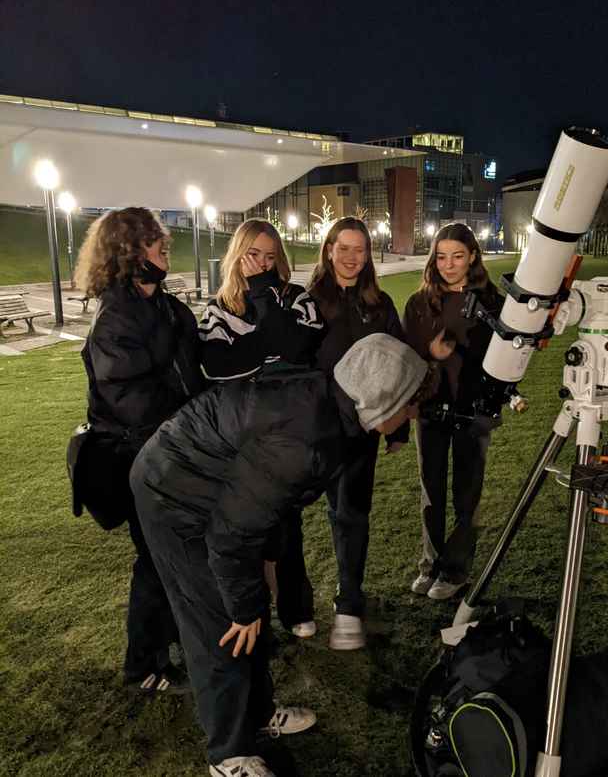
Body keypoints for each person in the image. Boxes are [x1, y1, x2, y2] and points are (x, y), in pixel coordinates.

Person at [129, 333, 428, 777]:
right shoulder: (308, 439)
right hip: (173, 494)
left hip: (214, 492)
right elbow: (231, 537)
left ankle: (258, 714)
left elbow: (269, 505)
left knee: (246, 618)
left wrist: (264, 566)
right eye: (409, 403)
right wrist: (245, 606)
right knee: (221, 626)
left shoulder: (332, 408)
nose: (413, 413)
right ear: (381, 401)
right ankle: (228, 755)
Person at [73, 207, 203, 691]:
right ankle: (143, 666)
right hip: (135, 460)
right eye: (154, 241)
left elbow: (195, 365)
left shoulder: (163, 306)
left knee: (172, 557)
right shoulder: (115, 319)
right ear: (129, 252)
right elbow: (135, 401)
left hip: (168, 453)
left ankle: (171, 648)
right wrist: (193, 420)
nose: (164, 248)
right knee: (154, 560)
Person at [198, 218, 324, 638]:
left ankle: (294, 606)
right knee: (247, 527)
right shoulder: (219, 307)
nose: (263, 263)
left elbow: (299, 349)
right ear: (238, 254)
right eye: (254, 254)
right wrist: (267, 345)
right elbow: (218, 367)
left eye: (271, 256)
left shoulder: (295, 297)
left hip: (289, 428)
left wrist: (265, 302)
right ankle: (253, 611)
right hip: (240, 434)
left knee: (287, 523)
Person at [308, 216, 409, 650]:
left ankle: (348, 604)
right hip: (316, 429)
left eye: (360, 249)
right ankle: (293, 608)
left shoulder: (380, 303)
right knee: (286, 514)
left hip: (362, 434)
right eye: (343, 248)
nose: (351, 257)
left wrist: (396, 427)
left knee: (352, 514)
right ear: (329, 249)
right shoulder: (308, 302)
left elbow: (399, 364)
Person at [403, 223, 503, 600]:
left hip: (472, 410)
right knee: (431, 492)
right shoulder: (418, 303)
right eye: (441, 256)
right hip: (430, 410)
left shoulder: (491, 301)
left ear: (473, 257)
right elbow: (407, 357)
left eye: (457, 256)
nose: (448, 265)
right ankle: (430, 566)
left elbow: (505, 356)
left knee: (467, 494)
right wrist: (430, 355)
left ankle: (455, 571)